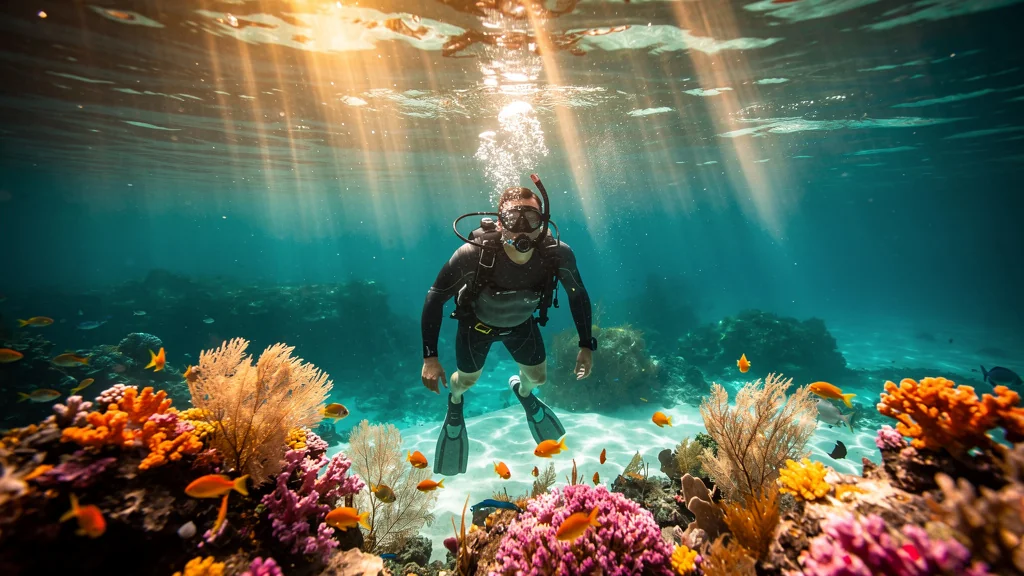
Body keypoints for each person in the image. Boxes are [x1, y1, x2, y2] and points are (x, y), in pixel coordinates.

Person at [420, 182, 596, 475]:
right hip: (475, 327)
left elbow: (578, 294)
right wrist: (430, 357)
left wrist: (586, 344)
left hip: (521, 324)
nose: (523, 229)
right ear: (501, 223)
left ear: (543, 222)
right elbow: (435, 297)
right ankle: (455, 401)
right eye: (515, 219)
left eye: (532, 219)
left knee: (538, 378)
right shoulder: (472, 254)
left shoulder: (557, 254)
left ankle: (523, 393)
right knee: (466, 381)